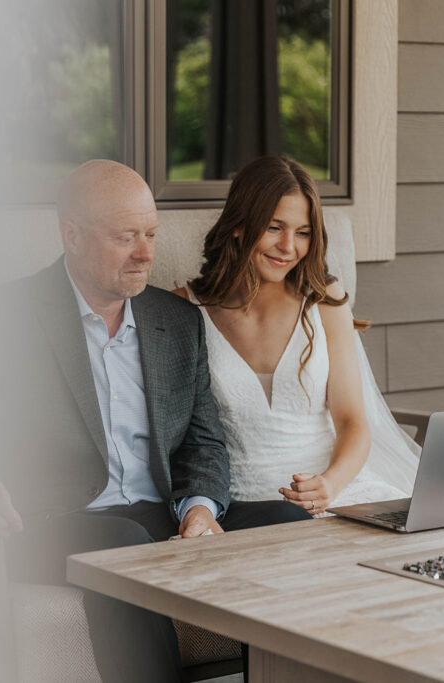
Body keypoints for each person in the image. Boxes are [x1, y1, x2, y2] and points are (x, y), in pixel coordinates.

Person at [0, 160, 310, 683]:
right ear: (72, 234)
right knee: (125, 542)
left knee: (290, 529)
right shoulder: (6, 317)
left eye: (152, 234)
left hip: (156, 515)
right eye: (126, 236)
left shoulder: (176, 321)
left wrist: (201, 510)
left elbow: (204, 441)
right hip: (51, 523)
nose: (146, 253)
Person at [174, 156, 419, 516]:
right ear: (239, 224)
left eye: (302, 233)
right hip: (245, 506)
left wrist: (330, 484)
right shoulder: (184, 309)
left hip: (337, 492)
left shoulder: (325, 301)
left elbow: (353, 422)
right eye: (274, 228)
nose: (289, 246)